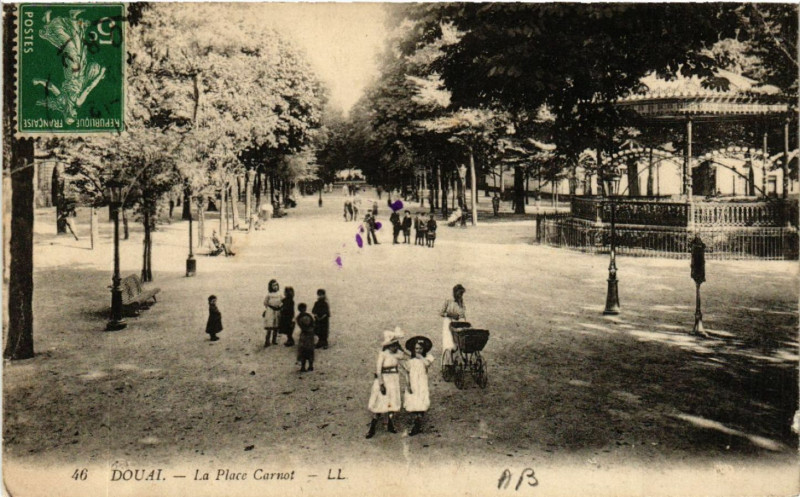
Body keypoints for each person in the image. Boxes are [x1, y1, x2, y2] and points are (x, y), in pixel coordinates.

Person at [366, 329, 410, 439]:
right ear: (387, 346)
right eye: (392, 346)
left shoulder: (397, 354)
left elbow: (408, 357)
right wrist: (381, 384)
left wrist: (402, 349)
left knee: (392, 402)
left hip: (393, 380)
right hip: (384, 380)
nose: (393, 348)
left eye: (395, 345)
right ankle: (372, 427)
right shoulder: (383, 354)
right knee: (380, 402)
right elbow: (378, 370)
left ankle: (390, 424)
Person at [403, 336, 434, 435]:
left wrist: (421, 357)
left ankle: (417, 424)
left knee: (421, 400)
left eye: (420, 348)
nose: (418, 350)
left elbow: (427, 364)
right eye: (416, 349)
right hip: (413, 382)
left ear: (424, 349)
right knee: (413, 401)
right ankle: (416, 421)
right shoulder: (410, 361)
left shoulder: (427, 358)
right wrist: (408, 384)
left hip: (422, 383)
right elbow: (407, 372)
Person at [440, 284, 466, 373]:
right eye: (459, 293)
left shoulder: (461, 302)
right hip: (448, 323)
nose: (460, 295)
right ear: (454, 292)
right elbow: (441, 312)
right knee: (448, 343)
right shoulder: (448, 300)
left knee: (457, 342)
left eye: (461, 294)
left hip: (457, 323)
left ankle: (455, 362)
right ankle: (447, 364)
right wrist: (450, 314)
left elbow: (462, 313)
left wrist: (462, 320)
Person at [296, 303, 316, 372]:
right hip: (310, 334)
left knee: (303, 350)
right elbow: (313, 324)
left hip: (304, 335)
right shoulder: (309, 316)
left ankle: (303, 367)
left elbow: (301, 326)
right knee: (310, 350)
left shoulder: (299, 317)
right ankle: (310, 366)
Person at [263, 280, 282, 347]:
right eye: (273, 285)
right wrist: (268, 308)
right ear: (270, 286)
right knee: (270, 326)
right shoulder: (269, 295)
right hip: (270, 311)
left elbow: (282, 301)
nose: (275, 287)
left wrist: (280, 306)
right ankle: (267, 341)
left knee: (276, 326)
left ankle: (274, 340)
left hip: (277, 311)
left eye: (276, 285)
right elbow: (265, 302)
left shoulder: (279, 294)